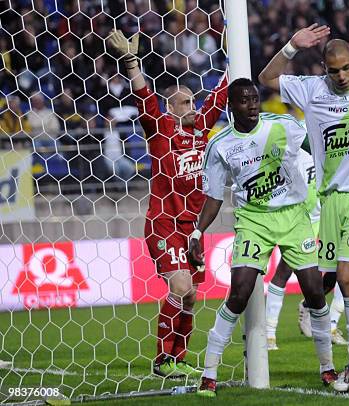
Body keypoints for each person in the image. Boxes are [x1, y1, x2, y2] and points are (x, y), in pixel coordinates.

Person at [259, 24, 349, 392]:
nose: (341, 76)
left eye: (346, 68)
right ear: (324, 68)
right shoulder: (312, 90)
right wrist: (292, 45)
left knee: (344, 277)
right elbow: (267, 76)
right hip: (330, 201)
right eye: (333, 70)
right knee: (345, 282)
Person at [188, 78, 336, 397]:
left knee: (314, 290)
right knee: (239, 293)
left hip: (294, 215)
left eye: (255, 99)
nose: (252, 105)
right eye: (244, 100)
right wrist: (199, 231)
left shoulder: (284, 125)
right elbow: (213, 197)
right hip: (254, 220)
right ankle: (209, 373)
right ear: (231, 106)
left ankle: (327, 368)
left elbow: (321, 137)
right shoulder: (220, 145)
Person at [106, 29, 228, 378]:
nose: (194, 108)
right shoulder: (161, 129)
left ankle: (180, 357)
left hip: (193, 228)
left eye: (194, 103)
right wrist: (131, 62)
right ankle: (162, 362)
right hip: (164, 221)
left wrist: (236, 59)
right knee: (180, 287)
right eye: (186, 103)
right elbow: (144, 96)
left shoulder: (201, 131)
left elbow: (219, 98)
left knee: (190, 297)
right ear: (171, 108)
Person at [266, 148, 348, 350]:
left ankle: (324, 320)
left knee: (341, 272)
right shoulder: (293, 157)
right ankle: (268, 334)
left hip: (328, 218)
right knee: (283, 272)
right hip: (303, 221)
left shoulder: (327, 155)